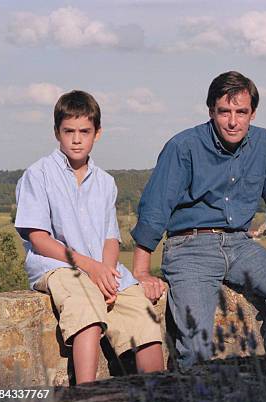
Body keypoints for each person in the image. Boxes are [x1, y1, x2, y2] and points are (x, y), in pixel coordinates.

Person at [130, 71, 266, 369]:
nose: (233, 121)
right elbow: (156, 208)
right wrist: (142, 270)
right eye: (224, 112)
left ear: (253, 113)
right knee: (196, 342)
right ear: (211, 111)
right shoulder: (183, 147)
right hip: (190, 246)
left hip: (241, 244)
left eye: (241, 112)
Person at [14, 90, 164, 384]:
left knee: (141, 310)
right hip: (57, 266)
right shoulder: (39, 174)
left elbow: (110, 238)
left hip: (99, 266)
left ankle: (158, 393)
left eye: (85, 131)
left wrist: (106, 272)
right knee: (84, 298)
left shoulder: (106, 183)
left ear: (97, 133)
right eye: (69, 131)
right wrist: (90, 268)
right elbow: (39, 238)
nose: (77, 139)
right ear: (57, 132)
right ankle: (86, 394)